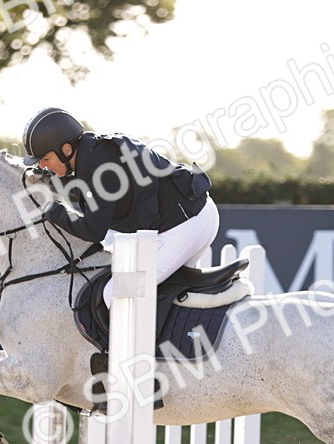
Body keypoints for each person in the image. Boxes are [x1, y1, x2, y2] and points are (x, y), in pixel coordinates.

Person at [21, 107, 217, 308]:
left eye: (46, 159)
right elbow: (89, 194)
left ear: (66, 150)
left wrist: (50, 208)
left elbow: (93, 230)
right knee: (160, 295)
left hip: (187, 223)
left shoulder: (98, 165)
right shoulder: (94, 154)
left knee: (116, 294)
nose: (43, 166)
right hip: (192, 215)